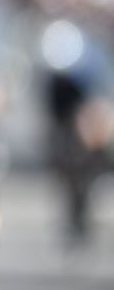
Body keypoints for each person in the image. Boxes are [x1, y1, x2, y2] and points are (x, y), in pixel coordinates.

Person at [39, 18, 114, 248]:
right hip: (63, 126)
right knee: (65, 173)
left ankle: (81, 217)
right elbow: (49, 109)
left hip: (82, 125)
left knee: (84, 173)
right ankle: (72, 217)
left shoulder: (88, 70)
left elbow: (96, 105)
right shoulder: (52, 74)